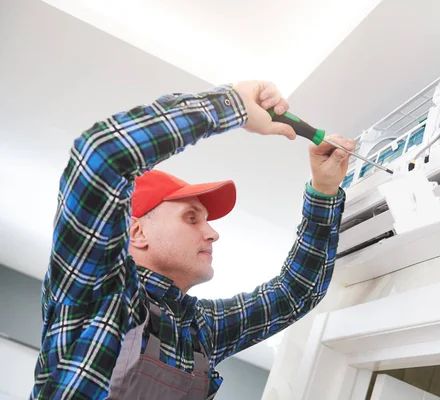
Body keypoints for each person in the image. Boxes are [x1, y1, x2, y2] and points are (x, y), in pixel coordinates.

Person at [31, 81, 355, 399]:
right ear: (138, 232)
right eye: (191, 218)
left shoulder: (201, 330)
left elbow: (295, 292)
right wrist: (233, 105)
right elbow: (101, 155)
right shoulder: (98, 293)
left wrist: (324, 191)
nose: (213, 233)